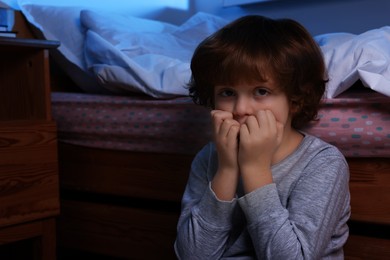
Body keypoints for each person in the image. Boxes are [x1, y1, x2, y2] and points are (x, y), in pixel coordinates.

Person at [174, 15, 350, 259]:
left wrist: (255, 168)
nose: (241, 108)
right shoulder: (209, 158)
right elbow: (192, 256)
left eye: (261, 91)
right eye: (227, 92)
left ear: (295, 99)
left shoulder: (323, 163)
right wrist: (226, 168)